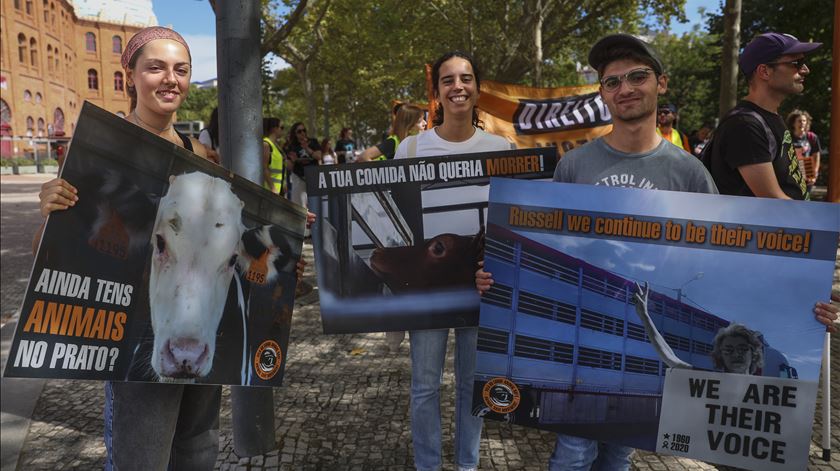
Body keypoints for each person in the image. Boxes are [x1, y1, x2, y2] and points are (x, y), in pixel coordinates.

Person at [36, 27, 312, 470]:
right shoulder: (100, 148)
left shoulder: (199, 154)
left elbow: (228, 250)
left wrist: (283, 256)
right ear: (130, 75)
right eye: (156, 67)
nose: (170, 79)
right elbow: (53, 252)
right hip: (134, 346)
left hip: (202, 326)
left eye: (180, 70)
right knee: (141, 460)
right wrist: (52, 208)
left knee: (198, 453)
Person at [477, 33, 720, 471]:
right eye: (612, 82)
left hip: (642, 348)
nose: (625, 88)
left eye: (637, 76)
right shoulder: (574, 165)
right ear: (603, 94)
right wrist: (497, 276)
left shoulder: (690, 173)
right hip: (581, 338)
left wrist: (804, 304)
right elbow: (551, 250)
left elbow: (720, 259)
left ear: (660, 83)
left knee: (619, 451)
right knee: (573, 451)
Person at [396, 51, 511, 471]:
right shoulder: (411, 149)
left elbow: (513, 221)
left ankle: (467, 465)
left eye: (466, 78)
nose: (458, 86)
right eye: (448, 80)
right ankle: (428, 466)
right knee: (424, 386)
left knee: (471, 386)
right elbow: (391, 216)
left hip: (480, 287)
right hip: (429, 289)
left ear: (478, 88)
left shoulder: (502, 149)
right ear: (436, 92)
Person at [706, 32, 821, 200]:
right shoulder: (744, 125)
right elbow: (773, 201)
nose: (806, 70)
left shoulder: (768, 118)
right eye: (797, 63)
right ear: (765, 71)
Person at [358, 104, 427, 162]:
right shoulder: (393, 142)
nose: (425, 123)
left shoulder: (417, 141)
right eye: (419, 121)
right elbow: (363, 156)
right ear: (408, 126)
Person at [283, 122, 322, 210]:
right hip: (299, 178)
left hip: (314, 178)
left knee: (315, 206)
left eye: (304, 130)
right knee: (300, 207)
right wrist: (292, 161)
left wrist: (307, 148)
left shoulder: (313, 142)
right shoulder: (292, 146)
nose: (302, 133)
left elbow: (318, 156)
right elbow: (290, 167)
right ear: (295, 134)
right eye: (299, 131)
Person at [786, 109, 821, 191]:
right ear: (793, 123)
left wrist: (814, 174)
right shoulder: (787, 137)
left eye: (804, 121)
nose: (802, 123)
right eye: (799, 121)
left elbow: (816, 157)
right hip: (790, 175)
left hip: (807, 174)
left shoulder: (812, 137)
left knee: (805, 200)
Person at [262, 117, 286, 195]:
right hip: (270, 191)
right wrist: (272, 188)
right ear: (274, 129)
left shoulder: (276, 146)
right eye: (281, 127)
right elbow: (264, 167)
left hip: (279, 190)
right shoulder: (266, 144)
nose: (283, 130)